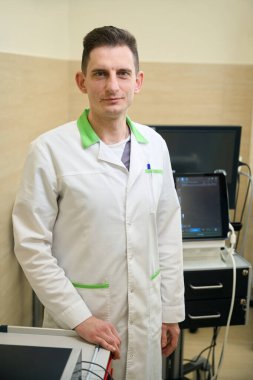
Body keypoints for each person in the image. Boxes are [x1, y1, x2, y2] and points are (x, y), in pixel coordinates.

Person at [12, 26, 185, 380]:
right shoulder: (49, 151)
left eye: (122, 73)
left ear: (137, 81)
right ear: (82, 81)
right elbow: (31, 245)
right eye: (100, 74)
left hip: (147, 318)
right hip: (82, 320)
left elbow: (167, 231)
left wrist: (171, 310)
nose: (112, 86)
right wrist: (80, 317)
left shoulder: (155, 146)